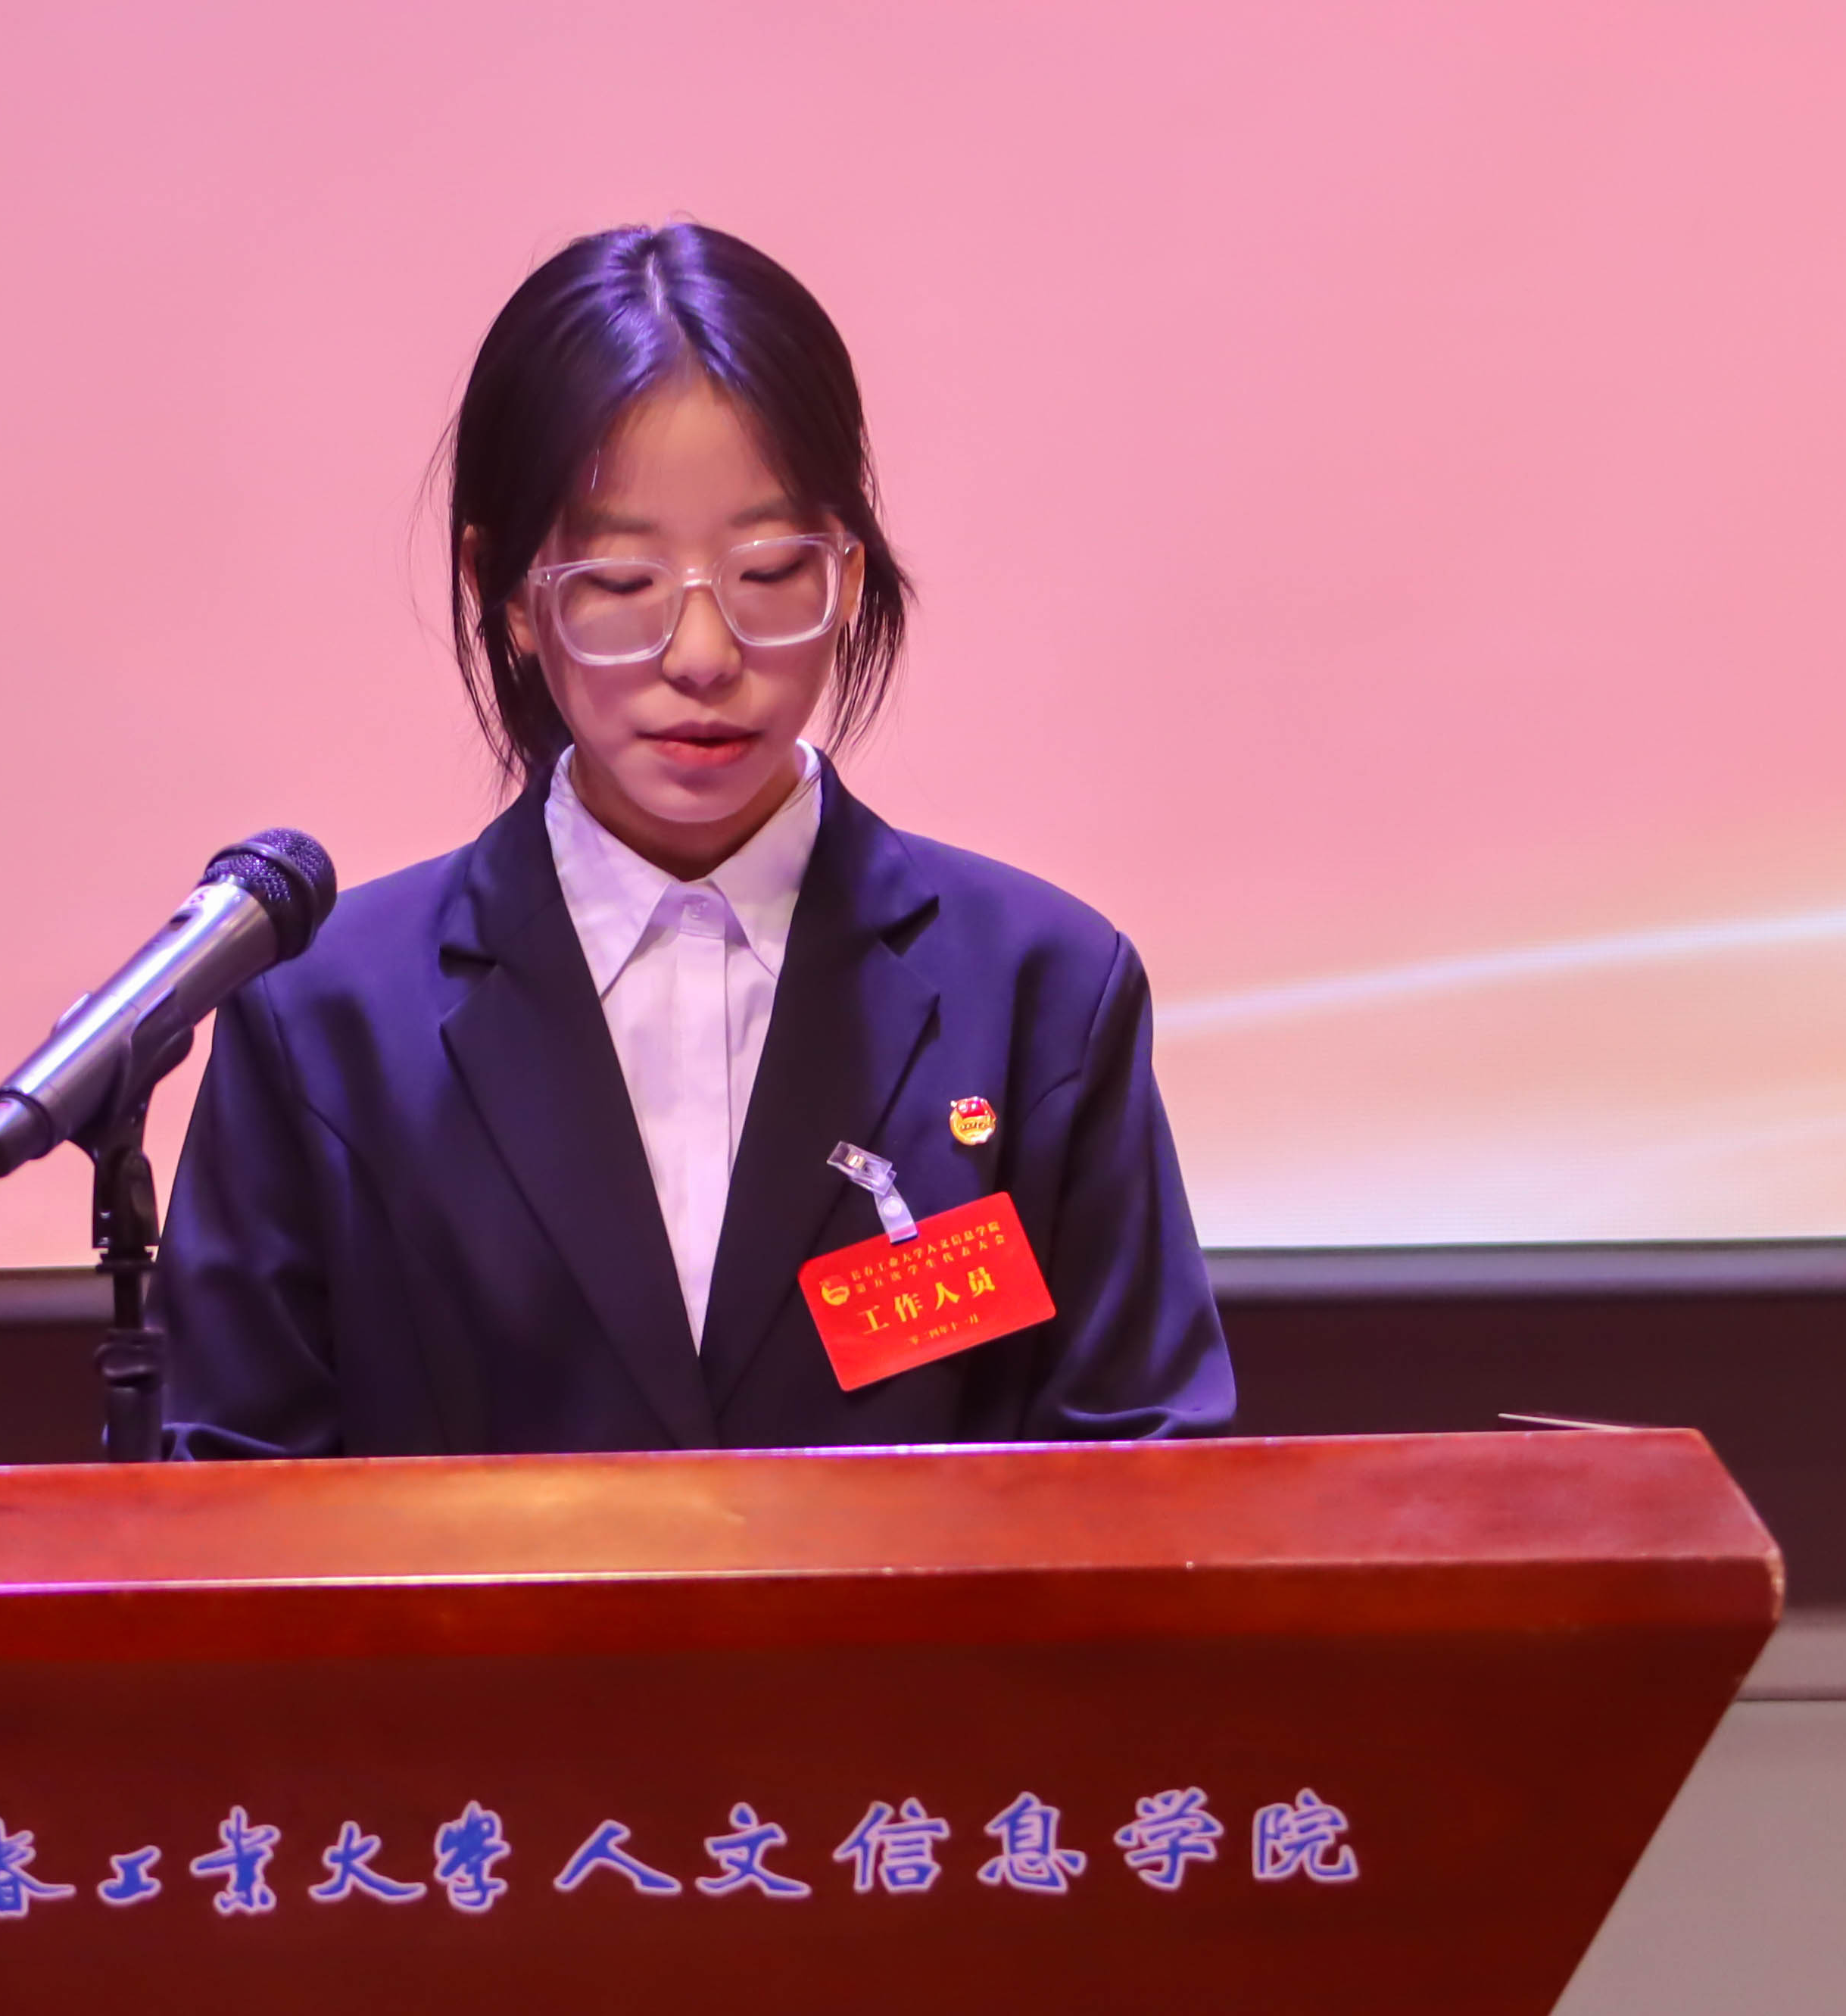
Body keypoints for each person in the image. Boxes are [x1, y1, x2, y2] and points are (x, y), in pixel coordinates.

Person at [160, 222, 1238, 1458]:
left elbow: (1151, 1469)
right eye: (621, 584)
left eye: (770, 571)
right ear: (506, 593)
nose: (706, 656)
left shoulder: (1042, 988)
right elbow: (228, 1500)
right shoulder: (323, 1022)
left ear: (851, 570)